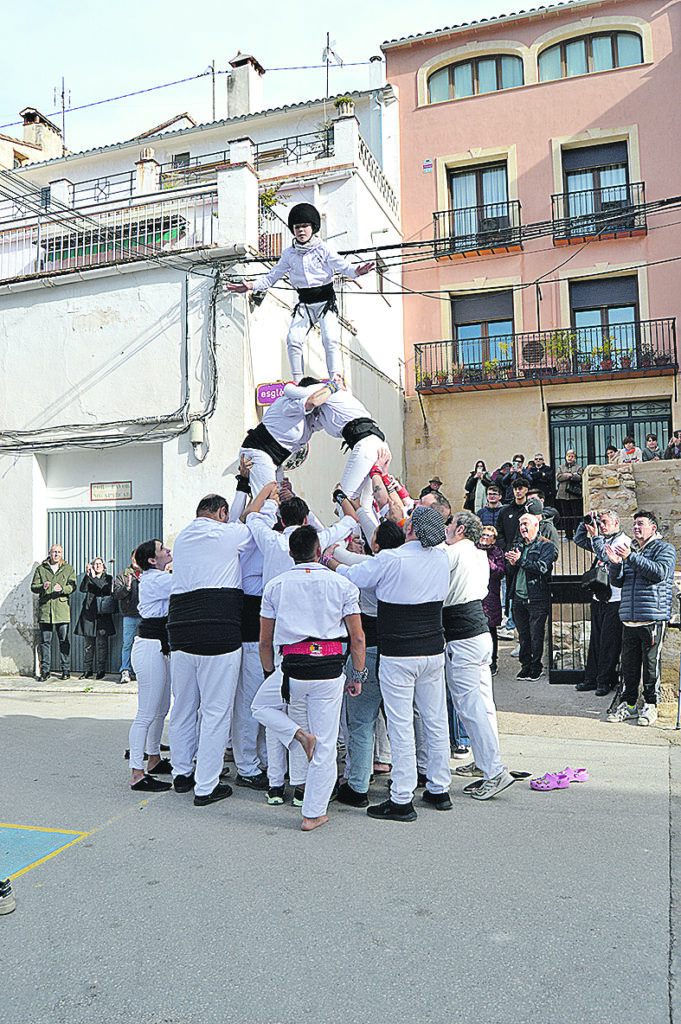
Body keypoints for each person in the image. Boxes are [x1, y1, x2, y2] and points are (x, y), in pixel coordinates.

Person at [333, 505, 452, 821]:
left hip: (398, 653)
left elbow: (353, 576)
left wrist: (332, 560)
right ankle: (439, 788)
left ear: (411, 529)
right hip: (432, 650)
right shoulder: (442, 557)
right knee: (434, 719)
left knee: (400, 725)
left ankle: (401, 798)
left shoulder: (391, 558)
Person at [251, 525, 366, 831]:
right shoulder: (342, 585)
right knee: (326, 745)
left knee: (260, 707)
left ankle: (297, 735)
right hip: (330, 668)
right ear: (319, 551)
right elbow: (357, 638)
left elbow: (265, 640)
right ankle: (313, 813)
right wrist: (357, 674)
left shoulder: (276, 585)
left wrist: (269, 673)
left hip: (292, 668)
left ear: (290, 553)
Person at [167, 492, 252, 806]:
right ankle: (206, 786)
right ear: (221, 513)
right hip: (219, 630)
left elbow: (235, 515)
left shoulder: (183, 538)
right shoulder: (227, 533)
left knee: (184, 708)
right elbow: (250, 517)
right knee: (216, 712)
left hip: (181, 633)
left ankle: (181, 772)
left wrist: (241, 483)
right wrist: (262, 491)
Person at [226, 203, 373, 382]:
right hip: (305, 304)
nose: (301, 231)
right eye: (297, 227)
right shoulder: (289, 254)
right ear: (293, 230)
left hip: (325, 302)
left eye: (305, 226)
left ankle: (335, 378)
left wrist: (358, 271)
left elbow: (344, 267)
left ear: (313, 228)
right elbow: (272, 277)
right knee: (293, 339)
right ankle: (297, 381)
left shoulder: (323, 249)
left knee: (330, 338)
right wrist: (250, 285)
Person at [324, 519, 406, 806]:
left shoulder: (369, 569)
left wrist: (331, 556)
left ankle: (357, 786)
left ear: (376, 545)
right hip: (398, 651)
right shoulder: (406, 567)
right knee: (400, 722)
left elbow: (349, 566)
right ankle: (408, 778)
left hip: (367, 649)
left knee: (360, 722)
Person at [443, 511, 513, 799]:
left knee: (469, 706)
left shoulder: (454, 552)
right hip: (480, 635)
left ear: (459, 529)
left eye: (449, 525)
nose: (445, 529)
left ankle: (494, 771)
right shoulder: (477, 553)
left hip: (464, 637)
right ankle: (486, 764)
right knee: (483, 704)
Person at [605, 509, 676, 727]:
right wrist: (615, 565)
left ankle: (651, 705)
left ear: (653, 528)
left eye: (641, 524)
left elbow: (659, 573)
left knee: (651, 665)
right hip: (629, 617)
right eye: (634, 524)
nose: (636, 527)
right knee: (629, 665)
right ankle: (629, 704)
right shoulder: (632, 551)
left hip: (652, 617)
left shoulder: (665, 548)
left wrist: (630, 557)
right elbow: (618, 582)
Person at [313, 383, 391, 545]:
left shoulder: (327, 396)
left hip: (366, 444)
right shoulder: (340, 399)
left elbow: (313, 402)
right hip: (379, 443)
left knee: (344, 500)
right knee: (364, 505)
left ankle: (353, 545)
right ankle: (379, 546)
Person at [128, 539, 174, 793]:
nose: (167, 550)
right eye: (161, 549)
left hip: (161, 646)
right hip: (149, 647)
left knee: (161, 708)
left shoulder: (159, 576)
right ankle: (137, 772)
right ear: (152, 560)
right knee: (146, 712)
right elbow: (186, 584)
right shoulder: (155, 579)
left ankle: (154, 759)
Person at [238, 378, 331, 497]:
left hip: (275, 460)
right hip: (259, 450)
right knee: (266, 501)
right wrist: (331, 388)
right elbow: (312, 402)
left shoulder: (310, 419)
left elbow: (326, 422)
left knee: (281, 498)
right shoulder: (290, 403)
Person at [574, 510, 625, 696]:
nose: (601, 525)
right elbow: (579, 540)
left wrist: (596, 537)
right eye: (600, 522)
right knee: (595, 641)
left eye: (605, 522)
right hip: (599, 598)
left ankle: (605, 681)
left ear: (616, 522)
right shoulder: (602, 539)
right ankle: (591, 679)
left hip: (615, 600)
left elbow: (605, 557)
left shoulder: (622, 541)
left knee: (609, 643)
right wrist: (585, 521)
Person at [506, 513, 558, 680]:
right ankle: (525, 665)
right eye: (521, 524)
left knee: (536, 635)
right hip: (519, 597)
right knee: (523, 635)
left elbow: (542, 568)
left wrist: (520, 561)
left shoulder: (546, 546)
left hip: (537, 598)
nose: (522, 527)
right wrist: (512, 564)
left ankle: (536, 666)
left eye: (526, 524)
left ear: (536, 525)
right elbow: (511, 571)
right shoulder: (519, 545)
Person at [30, 544, 77, 681]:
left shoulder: (68, 569)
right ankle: (45, 670)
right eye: (54, 552)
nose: (56, 554)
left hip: (62, 611)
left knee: (64, 641)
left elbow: (72, 586)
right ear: (49, 553)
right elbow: (33, 587)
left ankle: (66, 670)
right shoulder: (41, 569)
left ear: (62, 554)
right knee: (45, 642)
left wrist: (62, 588)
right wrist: (42, 587)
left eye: (58, 552)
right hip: (45, 611)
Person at [74, 557, 115, 680]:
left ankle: (100, 670)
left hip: (102, 614)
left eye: (99, 564)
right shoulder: (89, 576)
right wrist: (88, 576)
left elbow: (104, 588)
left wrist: (93, 577)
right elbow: (82, 589)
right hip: (89, 613)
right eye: (95, 564)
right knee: (88, 645)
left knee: (102, 644)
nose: (97, 566)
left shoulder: (108, 578)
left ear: (103, 566)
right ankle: (88, 670)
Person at [477, 525, 505, 676]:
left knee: (491, 629)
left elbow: (499, 573)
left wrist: (487, 560)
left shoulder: (497, 553)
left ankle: (493, 660)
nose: (485, 537)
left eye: (489, 535)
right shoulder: (473, 550)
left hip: (491, 595)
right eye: (483, 534)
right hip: (475, 594)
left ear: (494, 539)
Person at [113, 553, 141, 685]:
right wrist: (127, 587)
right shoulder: (122, 575)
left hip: (145, 616)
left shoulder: (148, 573)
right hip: (129, 615)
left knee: (145, 645)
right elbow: (116, 594)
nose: (136, 561)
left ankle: (142, 671)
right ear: (131, 558)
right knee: (127, 644)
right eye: (135, 557)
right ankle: (125, 670)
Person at [556, 449, 583, 541]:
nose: (570, 458)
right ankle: (568, 535)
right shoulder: (561, 467)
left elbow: (579, 477)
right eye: (568, 456)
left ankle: (577, 534)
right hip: (563, 495)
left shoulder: (578, 467)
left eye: (572, 456)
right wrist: (568, 475)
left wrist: (571, 475)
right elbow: (558, 477)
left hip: (575, 495)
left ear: (575, 458)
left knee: (576, 515)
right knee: (566, 515)